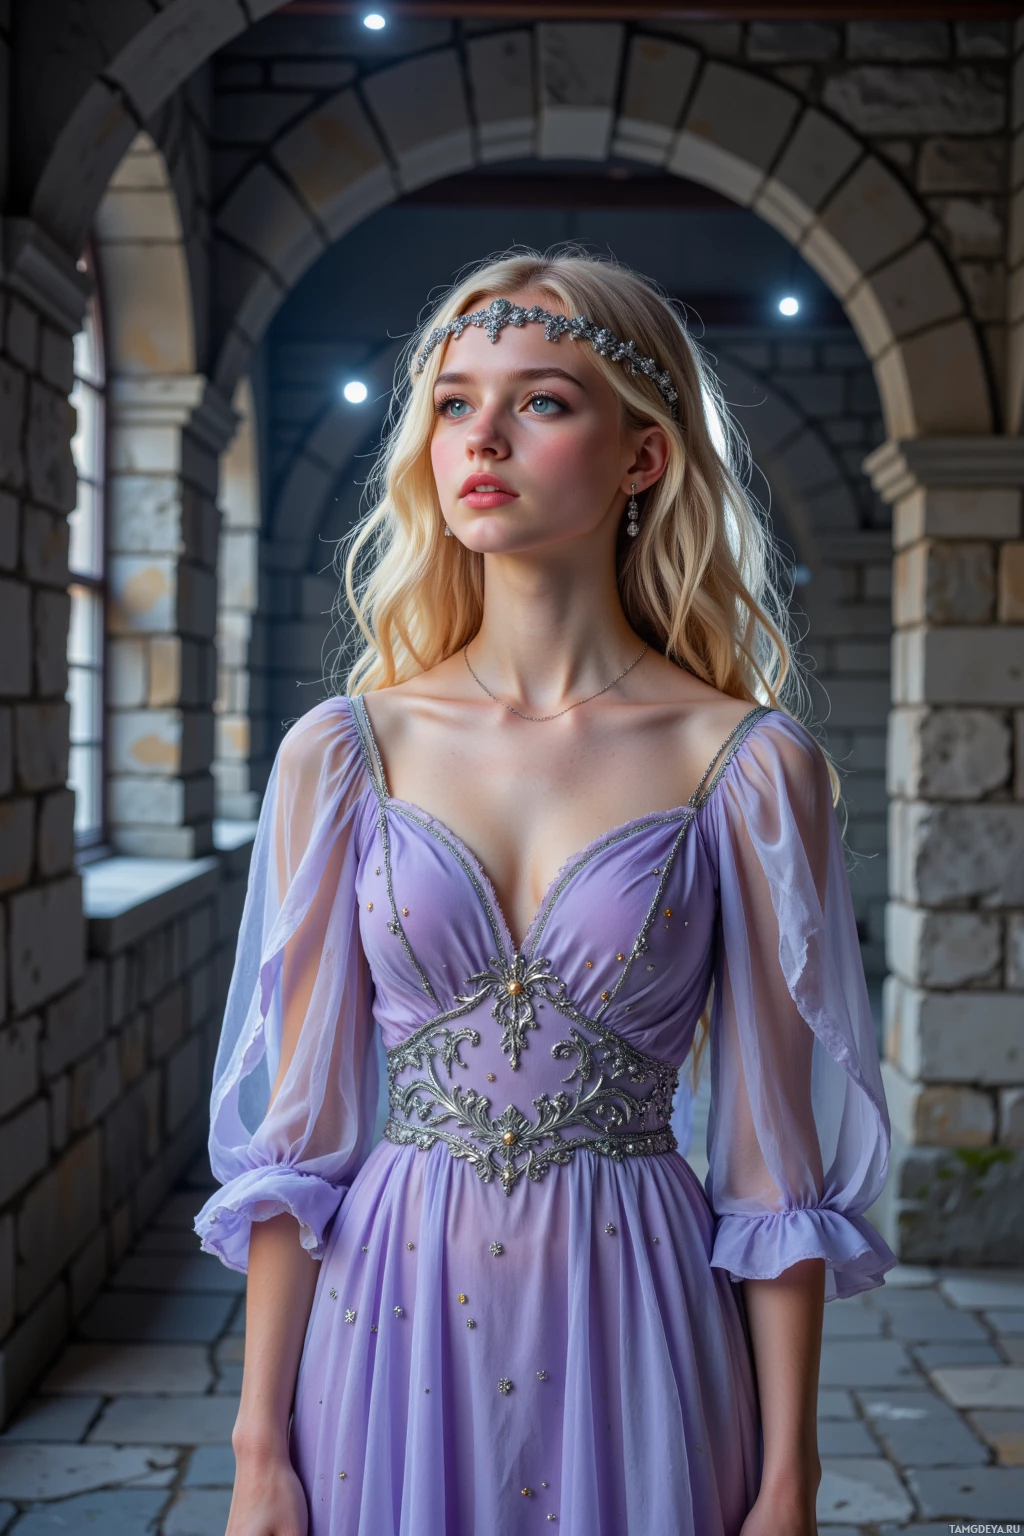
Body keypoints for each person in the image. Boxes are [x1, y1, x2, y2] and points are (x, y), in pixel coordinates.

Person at [196, 247, 896, 1536]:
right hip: (382, 1324)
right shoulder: (342, 751)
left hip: (639, 1317)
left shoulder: (743, 763)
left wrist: (790, 1484)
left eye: (543, 401)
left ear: (644, 459)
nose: (484, 437)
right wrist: (257, 1453)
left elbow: (772, 1160)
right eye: (456, 402)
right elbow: (296, 1144)